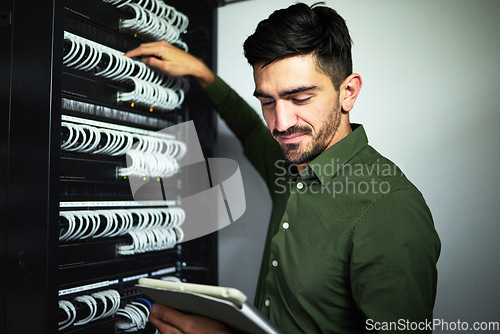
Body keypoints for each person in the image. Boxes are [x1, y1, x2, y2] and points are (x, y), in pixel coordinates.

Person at [125, 3, 441, 333]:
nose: (281, 123)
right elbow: (248, 128)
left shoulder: (390, 209)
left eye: (300, 98)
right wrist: (202, 74)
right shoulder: (291, 161)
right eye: (267, 101)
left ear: (347, 93)